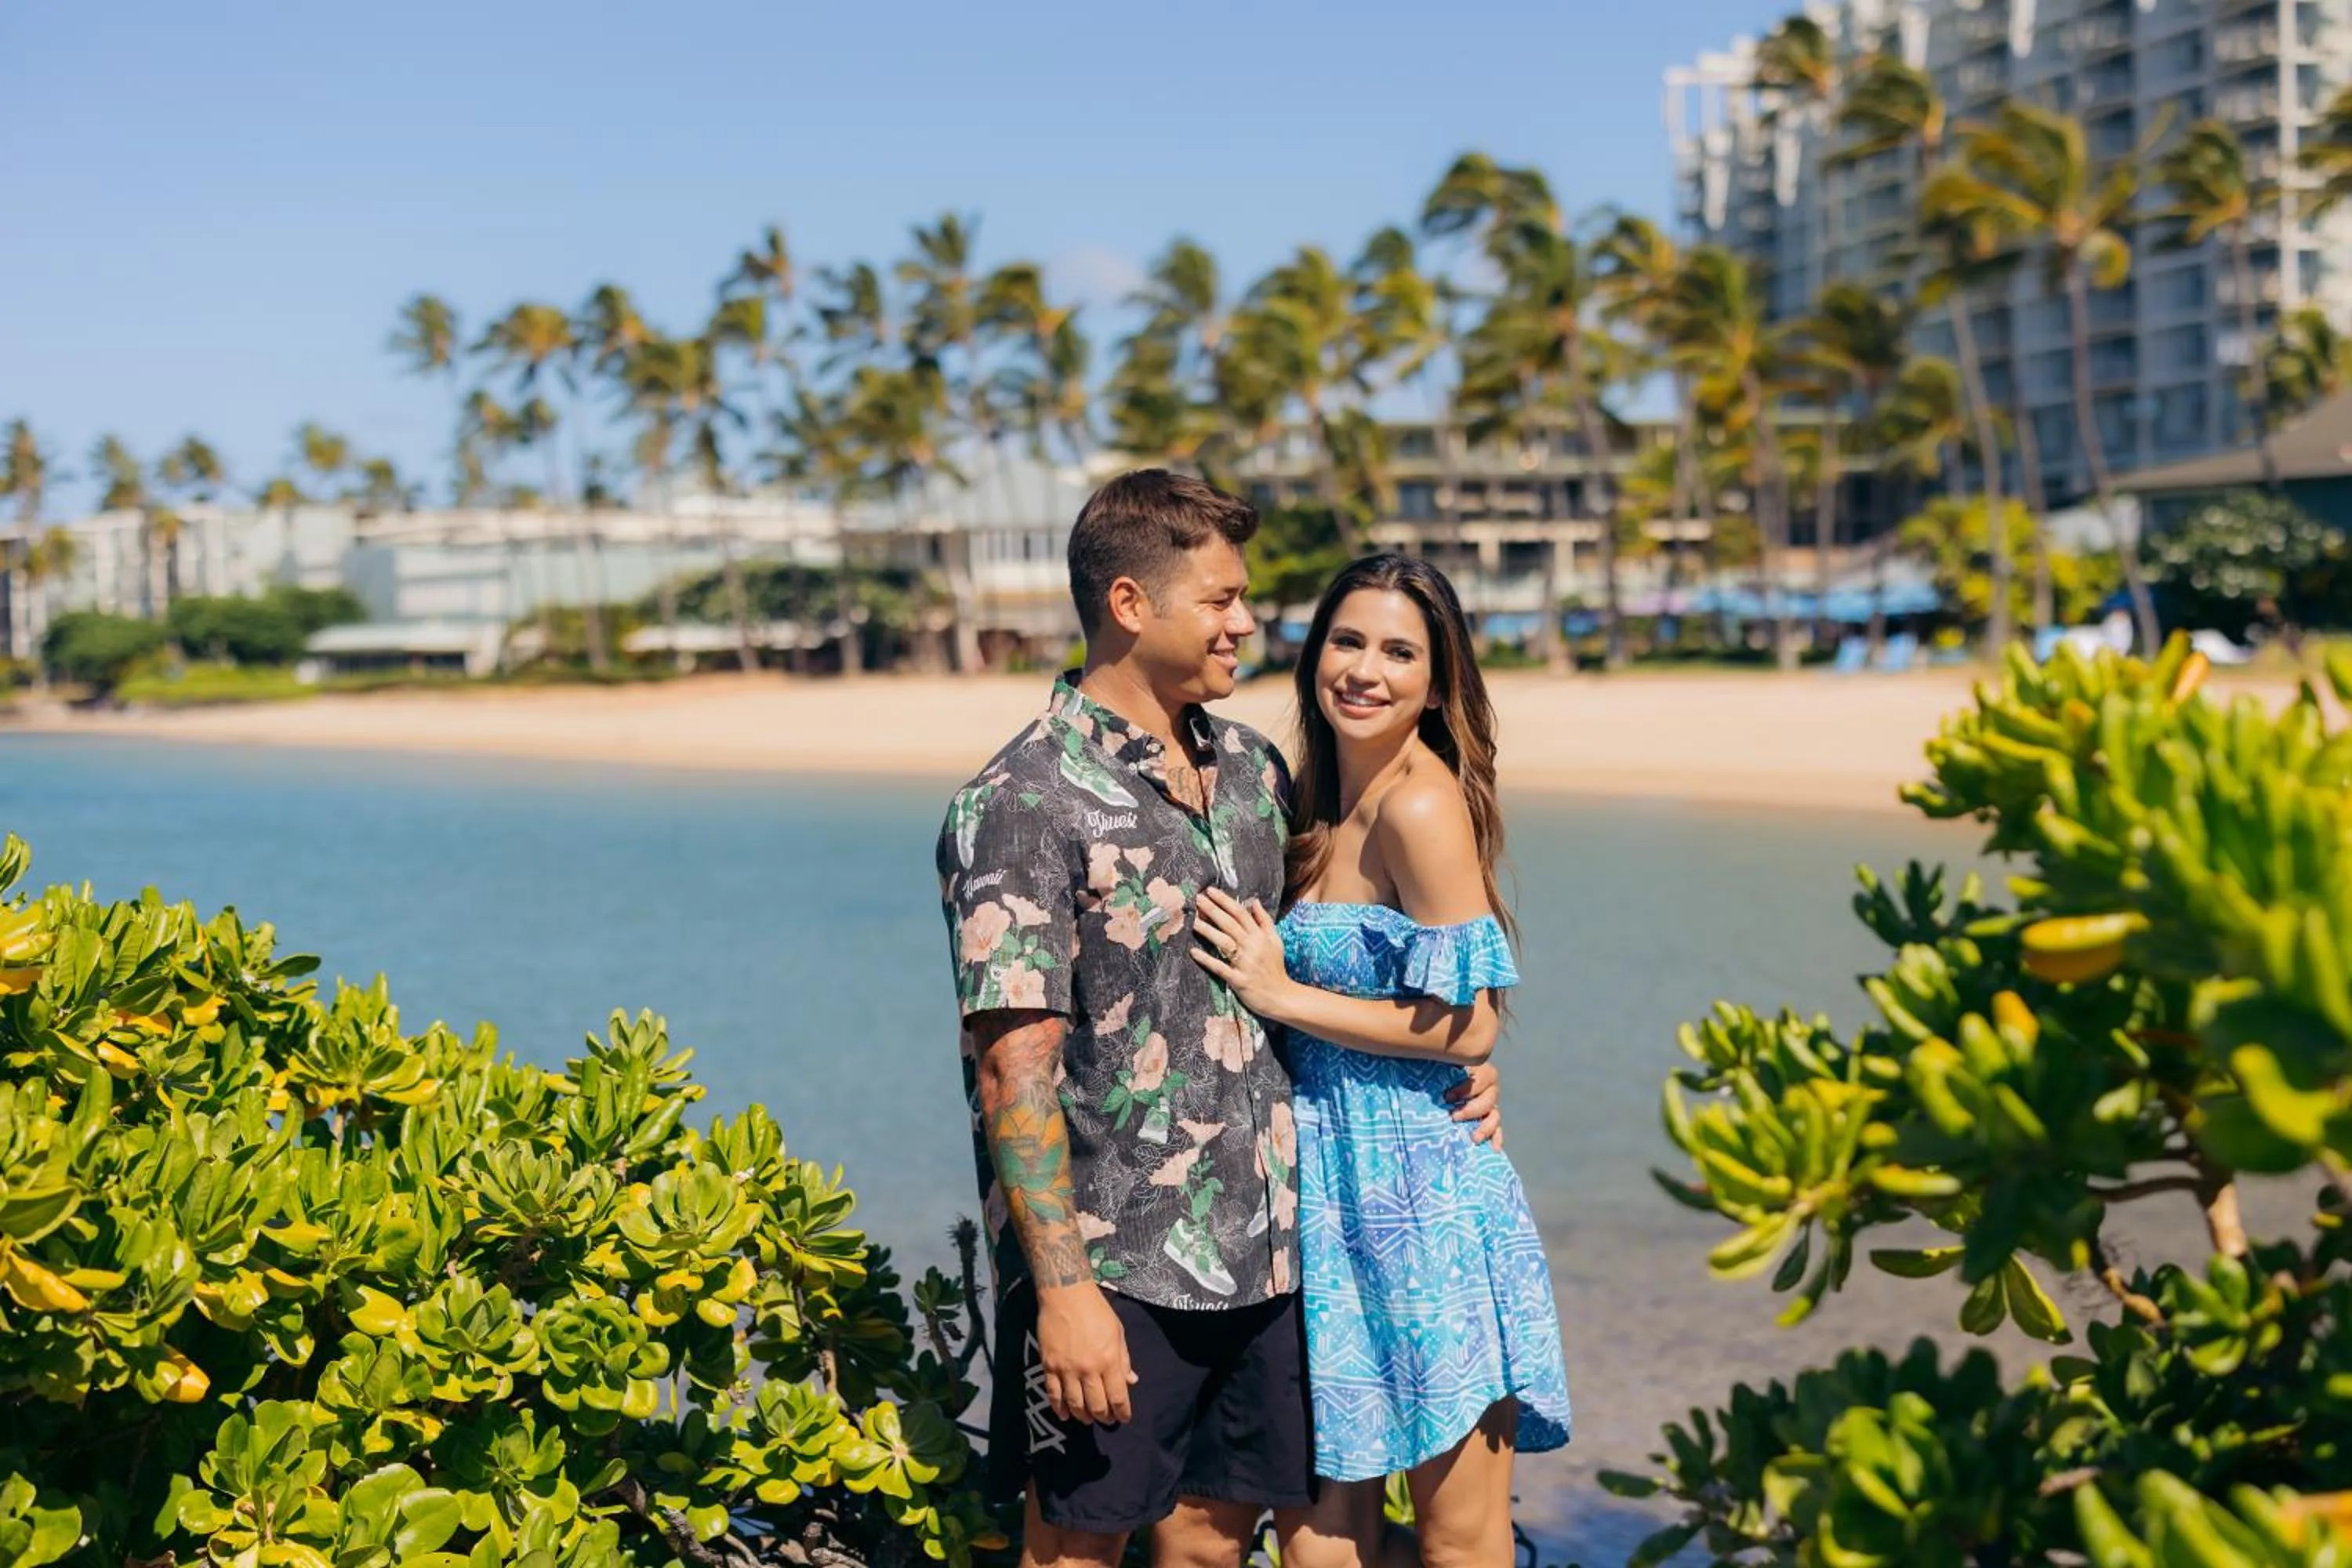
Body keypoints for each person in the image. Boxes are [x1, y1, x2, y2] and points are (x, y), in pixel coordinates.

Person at [935, 474, 1501, 1568]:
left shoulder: (1252, 771)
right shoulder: (1021, 800)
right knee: (1075, 1547)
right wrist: (1062, 1297)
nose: (1247, 623)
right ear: (1133, 605)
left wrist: (1464, 1062)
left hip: (1273, 1255)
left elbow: (1371, 952)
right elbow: (1014, 1075)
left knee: (1208, 1542)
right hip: (1114, 1268)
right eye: (1223, 600)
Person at [1192, 553, 1572, 1568]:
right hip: (1319, 1197)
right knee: (1318, 1530)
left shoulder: (1419, 804)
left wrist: (1282, 996)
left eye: (1400, 652)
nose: (1365, 670)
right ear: (1315, 654)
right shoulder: (1307, 795)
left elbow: (1475, 1024)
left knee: (1456, 1539)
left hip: (1425, 1200)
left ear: (1438, 682)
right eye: (1348, 642)